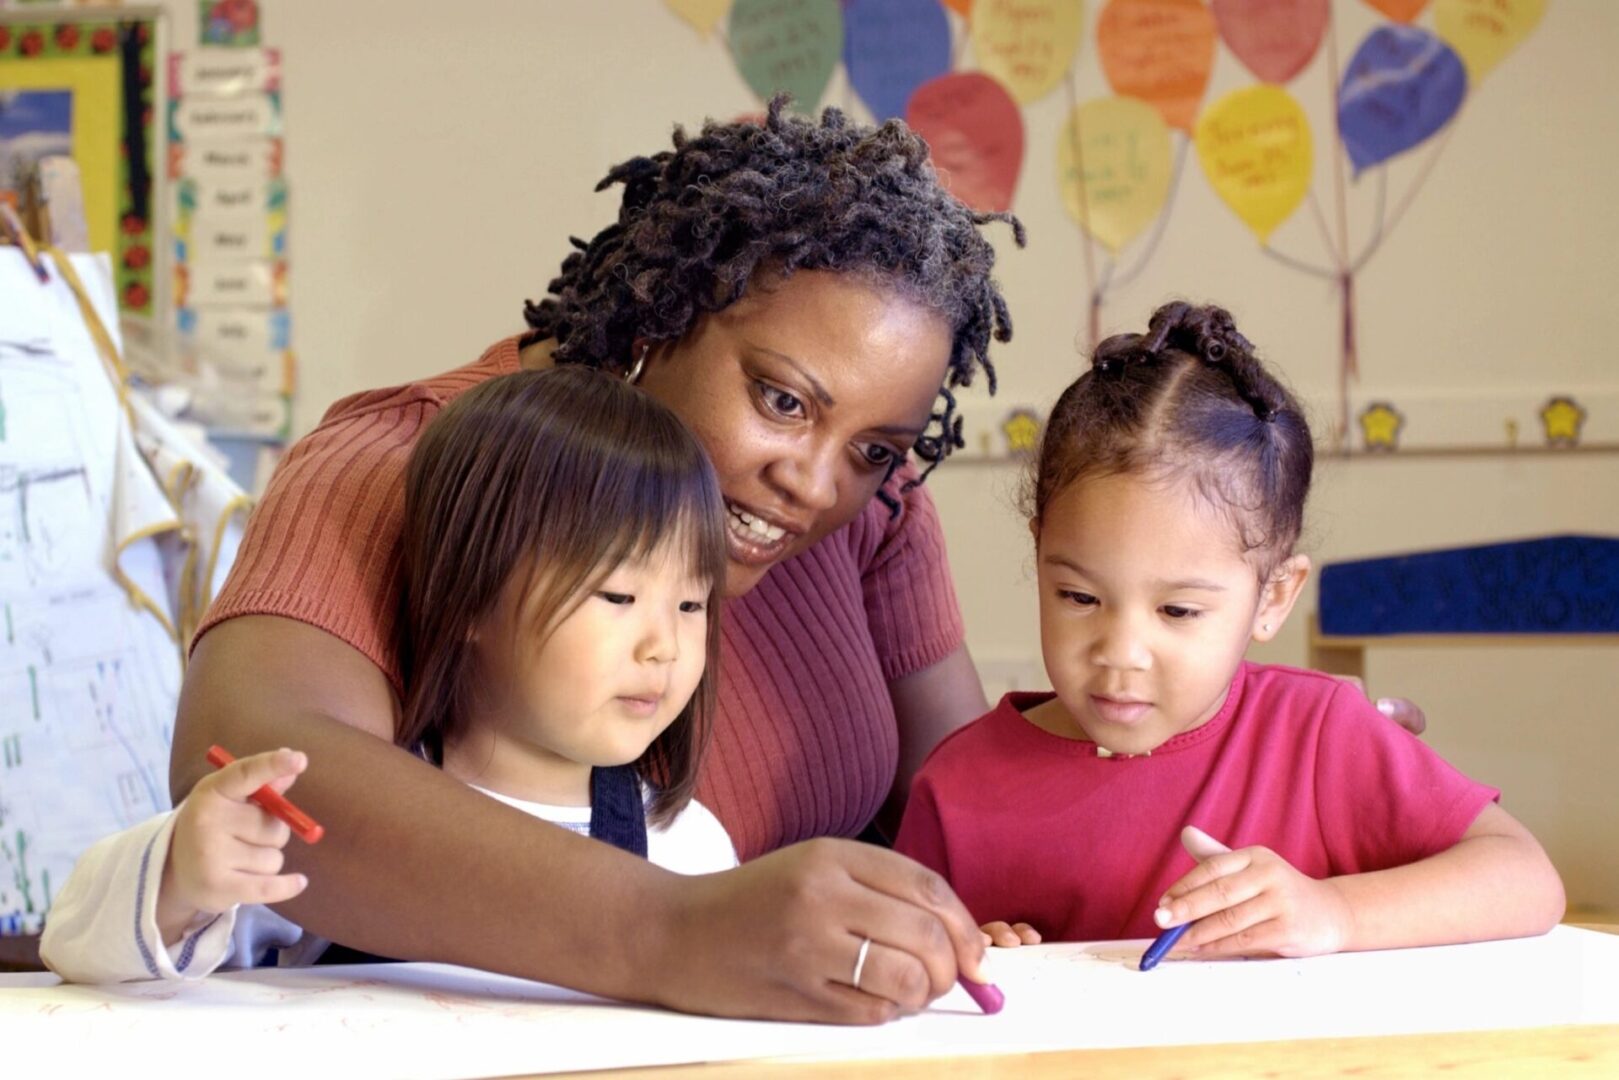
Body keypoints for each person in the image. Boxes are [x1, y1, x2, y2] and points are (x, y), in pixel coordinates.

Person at [894, 303, 1565, 958]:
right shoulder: (957, 787)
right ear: (1038, 555)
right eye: (1078, 595)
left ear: (1272, 596)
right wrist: (967, 956)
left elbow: (1524, 878)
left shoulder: (1318, 734)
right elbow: (912, 968)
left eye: (1177, 611)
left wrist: (1333, 912)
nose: (1120, 653)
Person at [42, 368, 738, 982]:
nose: (664, 647)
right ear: (470, 595)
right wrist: (178, 876)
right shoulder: (336, 824)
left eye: (691, 604)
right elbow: (78, 949)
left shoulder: (690, 849)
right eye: (618, 598)